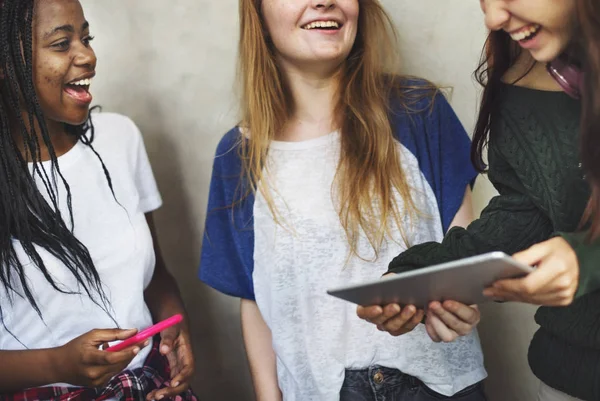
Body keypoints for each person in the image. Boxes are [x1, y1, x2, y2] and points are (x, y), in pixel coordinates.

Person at [199, 0, 487, 400]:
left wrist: (456, 303)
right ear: (258, 16)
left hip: (440, 388)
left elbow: (464, 254)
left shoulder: (419, 109)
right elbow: (257, 299)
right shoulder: (237, 157)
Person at [359, 0, 599, 400]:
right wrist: (420, 275)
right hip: (566, 380)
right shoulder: (522, 76)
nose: (492, 18)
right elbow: (525, 210)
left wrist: (586, 259)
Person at [0, 0, 196, 400]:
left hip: (148, 385)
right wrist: (59, 363)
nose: (88, 56)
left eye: (86, 38)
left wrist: (175, 324)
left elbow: (154, 275)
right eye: (61, 44)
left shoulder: (119, 138)